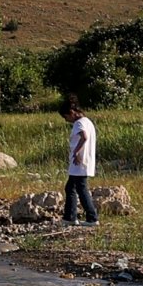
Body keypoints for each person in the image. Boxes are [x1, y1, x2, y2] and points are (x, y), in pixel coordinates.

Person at [60, 96, 98, 224]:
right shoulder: (88, 121)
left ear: (71, 112)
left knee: (80, 189)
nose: (67, 120)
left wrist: (76, 152)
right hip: (84, 162)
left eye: (66, 117)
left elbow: (84, 137)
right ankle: (70, 217)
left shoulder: (79, 123)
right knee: (71, 188)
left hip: (79, 162)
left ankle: (92, 218)